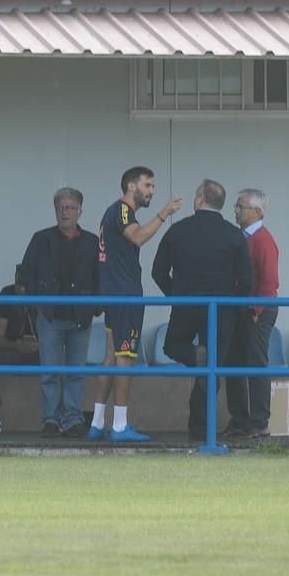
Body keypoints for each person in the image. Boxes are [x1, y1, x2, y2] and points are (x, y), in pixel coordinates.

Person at [151, 179, 253, 441]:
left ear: (199, 201)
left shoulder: (178, 231)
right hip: (221, 310)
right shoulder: (233, 234)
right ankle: (199, 429)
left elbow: (158, 272)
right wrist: (234, 307)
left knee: (173, 346)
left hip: (185, 305)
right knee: (213, 366)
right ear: (220, 204)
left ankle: (196, 357)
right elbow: (247, 279)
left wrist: (176, 295)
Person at [88, 166, 182, 443]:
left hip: (114, 294)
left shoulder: (113, 212)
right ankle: (119, 426)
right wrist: (164, 214)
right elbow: (138, 237)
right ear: (131, 186)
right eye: (148, 185)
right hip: (125, 296)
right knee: (125, 358)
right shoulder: (122, 212)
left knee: (110, 356)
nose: (152, 191)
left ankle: (96, 423)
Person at [20, 187, 99, 438]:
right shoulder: (41, 239)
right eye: (60, 207)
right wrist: (38, 304)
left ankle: (73, 419)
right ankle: (51, 420)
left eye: (70, 207)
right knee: (50, 372)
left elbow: (100, 277)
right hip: (50, 316)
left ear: (80, 211)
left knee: (77, 372)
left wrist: (95, 307)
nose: (65, 212)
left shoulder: (92, 242)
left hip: (80, 316)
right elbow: (25, 274)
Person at [224, 188, 280, 440]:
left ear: (257, 212)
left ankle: (259, 422)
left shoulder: (263, 240)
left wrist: (257, 310)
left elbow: (270, 281)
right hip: (241, 309)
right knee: (233, 363)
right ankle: (239, 420)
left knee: (256, 363)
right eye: (236, 206)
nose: (236, 211)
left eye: (241, 207)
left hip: (258, 310)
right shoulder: (241, 237)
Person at [0, 264, 39, 434]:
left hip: (41, 352)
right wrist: (17, 345)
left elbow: (56, 335)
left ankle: (57, 418)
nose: (22, 290)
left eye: (26, 286)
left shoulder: (44, 294)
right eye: (19, 285)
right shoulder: (8, 294)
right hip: (13, 350)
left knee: (62, 359)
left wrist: (40, 345)